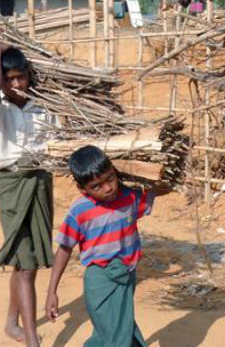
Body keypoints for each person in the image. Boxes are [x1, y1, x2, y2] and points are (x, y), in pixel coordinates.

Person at [0, 45, 58, 347]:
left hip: (40, 183)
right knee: (27, 264)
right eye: (9, 79)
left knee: (28, 257)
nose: (16, 84)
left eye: (21, 77)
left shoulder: (45, 106)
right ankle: (32, 341)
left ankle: (12, 323)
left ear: (29, 75)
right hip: (12, 185)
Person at [45, 145, 159, 347]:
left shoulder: (129, 197)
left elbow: (160, 186)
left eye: (110, 178)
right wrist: (52, 291)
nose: (108, 188)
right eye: (96, 186)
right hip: (101, 280)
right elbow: (64, 248)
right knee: (116, 335)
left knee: (114, 330)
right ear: (83, 189)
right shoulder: (80, 211)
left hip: (127, 275)